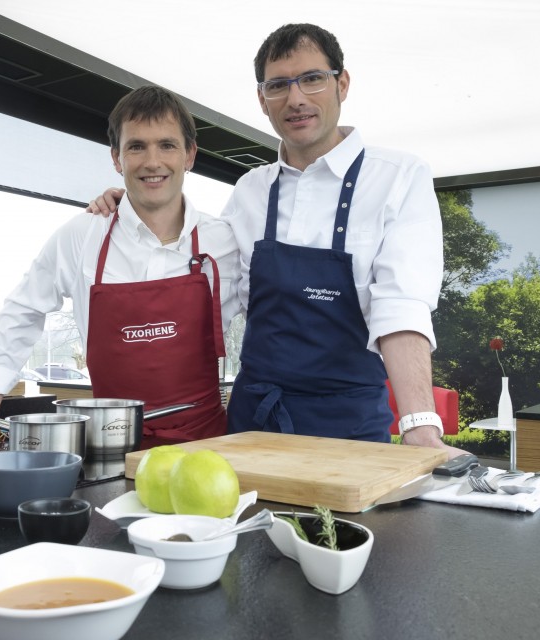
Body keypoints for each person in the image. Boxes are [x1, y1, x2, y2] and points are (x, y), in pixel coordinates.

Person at [87, 24, 462, 458]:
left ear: (341, 83)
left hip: (348, 427)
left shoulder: (398, 177)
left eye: (312, 78)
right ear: (262, 99)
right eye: (278, 85)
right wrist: (134, 206)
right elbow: (200, 284)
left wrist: (418, 425)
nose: (296, 98)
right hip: (252, 426)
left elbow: (401, 307)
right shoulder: (249, 190)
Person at [0, 85, 241, 449]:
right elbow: (23, 310)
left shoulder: (226, 241)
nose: (153, 161)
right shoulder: (81, 235)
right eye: (136, 146)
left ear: (190, 155)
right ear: (117, 159)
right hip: (109, 448)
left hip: (207, 446)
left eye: (167, 145)